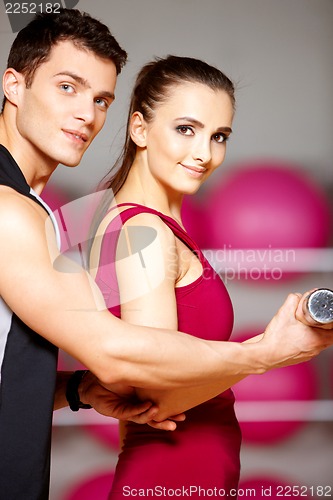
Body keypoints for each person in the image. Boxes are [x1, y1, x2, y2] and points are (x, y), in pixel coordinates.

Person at [0, 8, 331, 500]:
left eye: (101, 99)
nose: (86, 114)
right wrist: (266, 353)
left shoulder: (44, 213)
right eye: (66, 87)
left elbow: (13, 371)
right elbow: (119, 358)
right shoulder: (12, 210)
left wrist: (76, 390)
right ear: (14, 85)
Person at [88, 55, 333, 497]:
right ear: (139, 128)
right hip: (174, 468)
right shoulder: (143, 230)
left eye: (218, 136)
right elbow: (152, 390)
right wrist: (267, 350)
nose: (205, 153)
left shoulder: (137, 222)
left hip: (185, 469)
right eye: (186, 129)